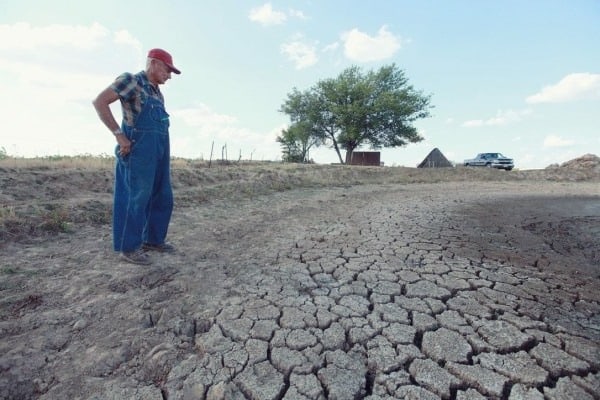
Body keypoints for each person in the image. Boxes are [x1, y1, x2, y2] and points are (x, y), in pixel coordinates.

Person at [92, 48, 181, 265]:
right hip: (138, 149)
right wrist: (119, 136)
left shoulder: (157, 93)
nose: (169, 76)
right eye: (168, 70)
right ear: (154, 63)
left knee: (162, 195)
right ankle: (129, 247)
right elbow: (100, 102)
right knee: (136, 197)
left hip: (159, 150)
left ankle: (153, 239)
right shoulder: (131, 81)